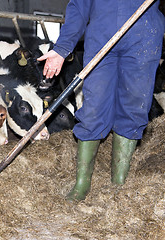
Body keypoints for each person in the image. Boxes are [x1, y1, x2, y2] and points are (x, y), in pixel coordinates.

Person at [37, 0, 165, 201]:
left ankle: (119, 182)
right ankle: (82, 184)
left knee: (134, 106)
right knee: (93, 108)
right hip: (101, 35)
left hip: (144, 34)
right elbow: (80, 5)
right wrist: (62, 47)